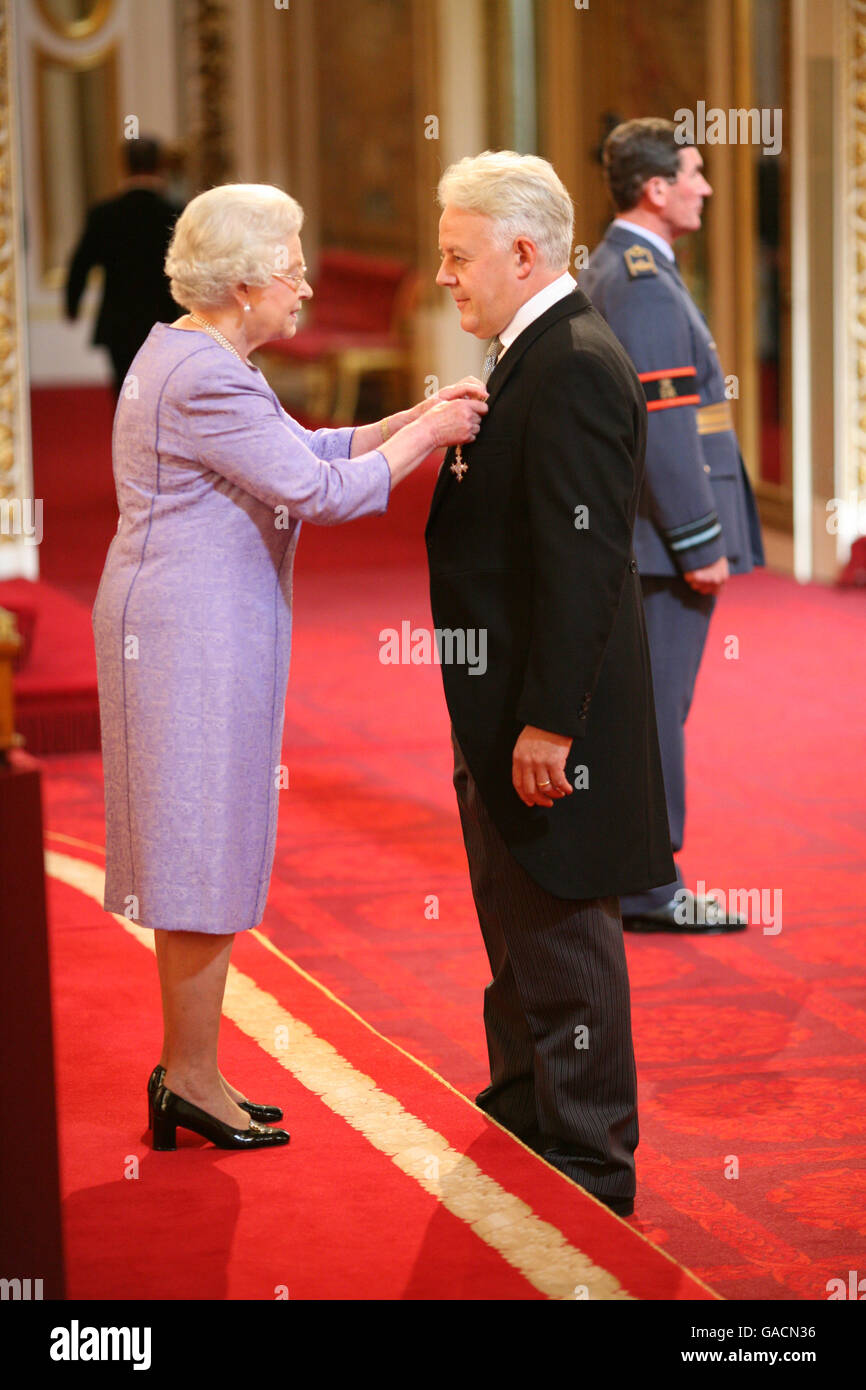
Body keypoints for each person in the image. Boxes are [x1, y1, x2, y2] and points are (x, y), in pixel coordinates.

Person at [92, 183, 487, 1152]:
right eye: (291, 266)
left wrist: (404, 417)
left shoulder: (193, 351)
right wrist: (429, 437)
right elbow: (319, 491)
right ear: (239, 284)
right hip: (187, 634)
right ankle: (187, 1074)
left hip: (189, 624)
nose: (304, 286)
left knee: (207, 846)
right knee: (197, 854)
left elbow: (300, 448)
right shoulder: (206, 374)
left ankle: (194, 1067)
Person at [427, 151, 674, 1217]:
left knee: (564, 938)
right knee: (516, 931)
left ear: (523, 252)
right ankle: (527, 1116)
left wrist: (542, 724)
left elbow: (581, 571)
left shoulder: (569, 359)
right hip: (502, 716)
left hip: (546, 726)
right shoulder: (529, 352)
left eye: (455, 254)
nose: (442, 275)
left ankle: (588, 1168)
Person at [580, 118, 764, 935]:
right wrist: (700, 541)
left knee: (643, 709)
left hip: (640, 537)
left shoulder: (620, 265)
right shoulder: (644, 279)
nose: (706, 186)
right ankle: (651, 886)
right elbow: (662, 424)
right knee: (656, 712)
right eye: (694, 172)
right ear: (656, 189)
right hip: (660, 542)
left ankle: (627, 871)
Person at [65, 135, 184, 397]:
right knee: (162, 388)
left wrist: (72, 304)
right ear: (159, 165)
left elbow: (81, 263)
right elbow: (193, 268)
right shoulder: (176, 213)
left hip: (118, 320)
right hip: (164, 317)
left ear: (125, 166)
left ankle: (126, 435)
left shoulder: (104, 214)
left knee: (125, 388)